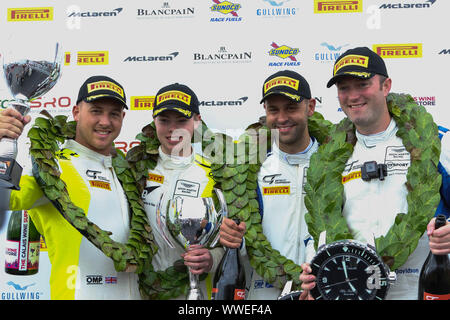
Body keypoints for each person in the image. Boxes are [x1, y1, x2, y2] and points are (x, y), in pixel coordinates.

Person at [299, 47, 450, 300]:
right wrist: (311, 271)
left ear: (386, 86)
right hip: (349, 292)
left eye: (363, 84)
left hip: (421, 292)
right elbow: (317, 233)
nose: (353, 96)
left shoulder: (438, 142)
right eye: (344, 88)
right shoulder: (327, 156)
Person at [0, 75, 141, 300]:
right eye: (96, 111)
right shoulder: (51, 166)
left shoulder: (127, 172)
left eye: (114, 114)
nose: (105, 121)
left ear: (123, 117)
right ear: (76, 112)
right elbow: (7, 199)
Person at [219, 70, 318, 299]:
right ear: (265, 112)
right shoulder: (248, 168)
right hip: (263, 294)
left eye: (291, 107)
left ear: (310, 107)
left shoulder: (337, 161)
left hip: (322, 291)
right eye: (274, 109)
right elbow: (244, 241)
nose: (282, 118)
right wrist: (234, 238)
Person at [140, 83, 224, 299]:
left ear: (197, 121)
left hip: (196, 294)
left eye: (181, 121)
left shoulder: (213, 173)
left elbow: (229, 241)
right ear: (154, 120)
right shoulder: (135, 170)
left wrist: (211, 258)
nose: (172, 129)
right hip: (141, 291)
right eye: (164, 120)